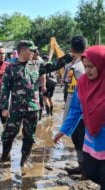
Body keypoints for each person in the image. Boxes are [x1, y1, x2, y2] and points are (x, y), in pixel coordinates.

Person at [54, 46, 105, 189]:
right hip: (92, 138)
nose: (87, 70)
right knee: (92, 172)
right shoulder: (82, 83)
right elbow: (76, 109)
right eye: (85, 66)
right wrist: (63, 130)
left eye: (91, 67)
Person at [0, 40, 40, 166]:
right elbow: (4, 88)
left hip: (33, 108)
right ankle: (5, 156)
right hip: (16, 107)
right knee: (8, 133)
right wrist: (4, 108)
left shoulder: (36, 65)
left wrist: (73, 55)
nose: (33, 52)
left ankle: (24, 161)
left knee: (29, 135)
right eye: (31, 50)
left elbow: (55, 66)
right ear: (22, 50)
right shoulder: (11, 67)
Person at [61, 36, 87, 175]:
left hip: (79, 113)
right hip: (74, 110)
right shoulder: (75, 64)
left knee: (81, 140)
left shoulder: (80, 67)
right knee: (76, 140)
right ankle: (82, 166)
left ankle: (86, 170)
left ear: (71, 49)